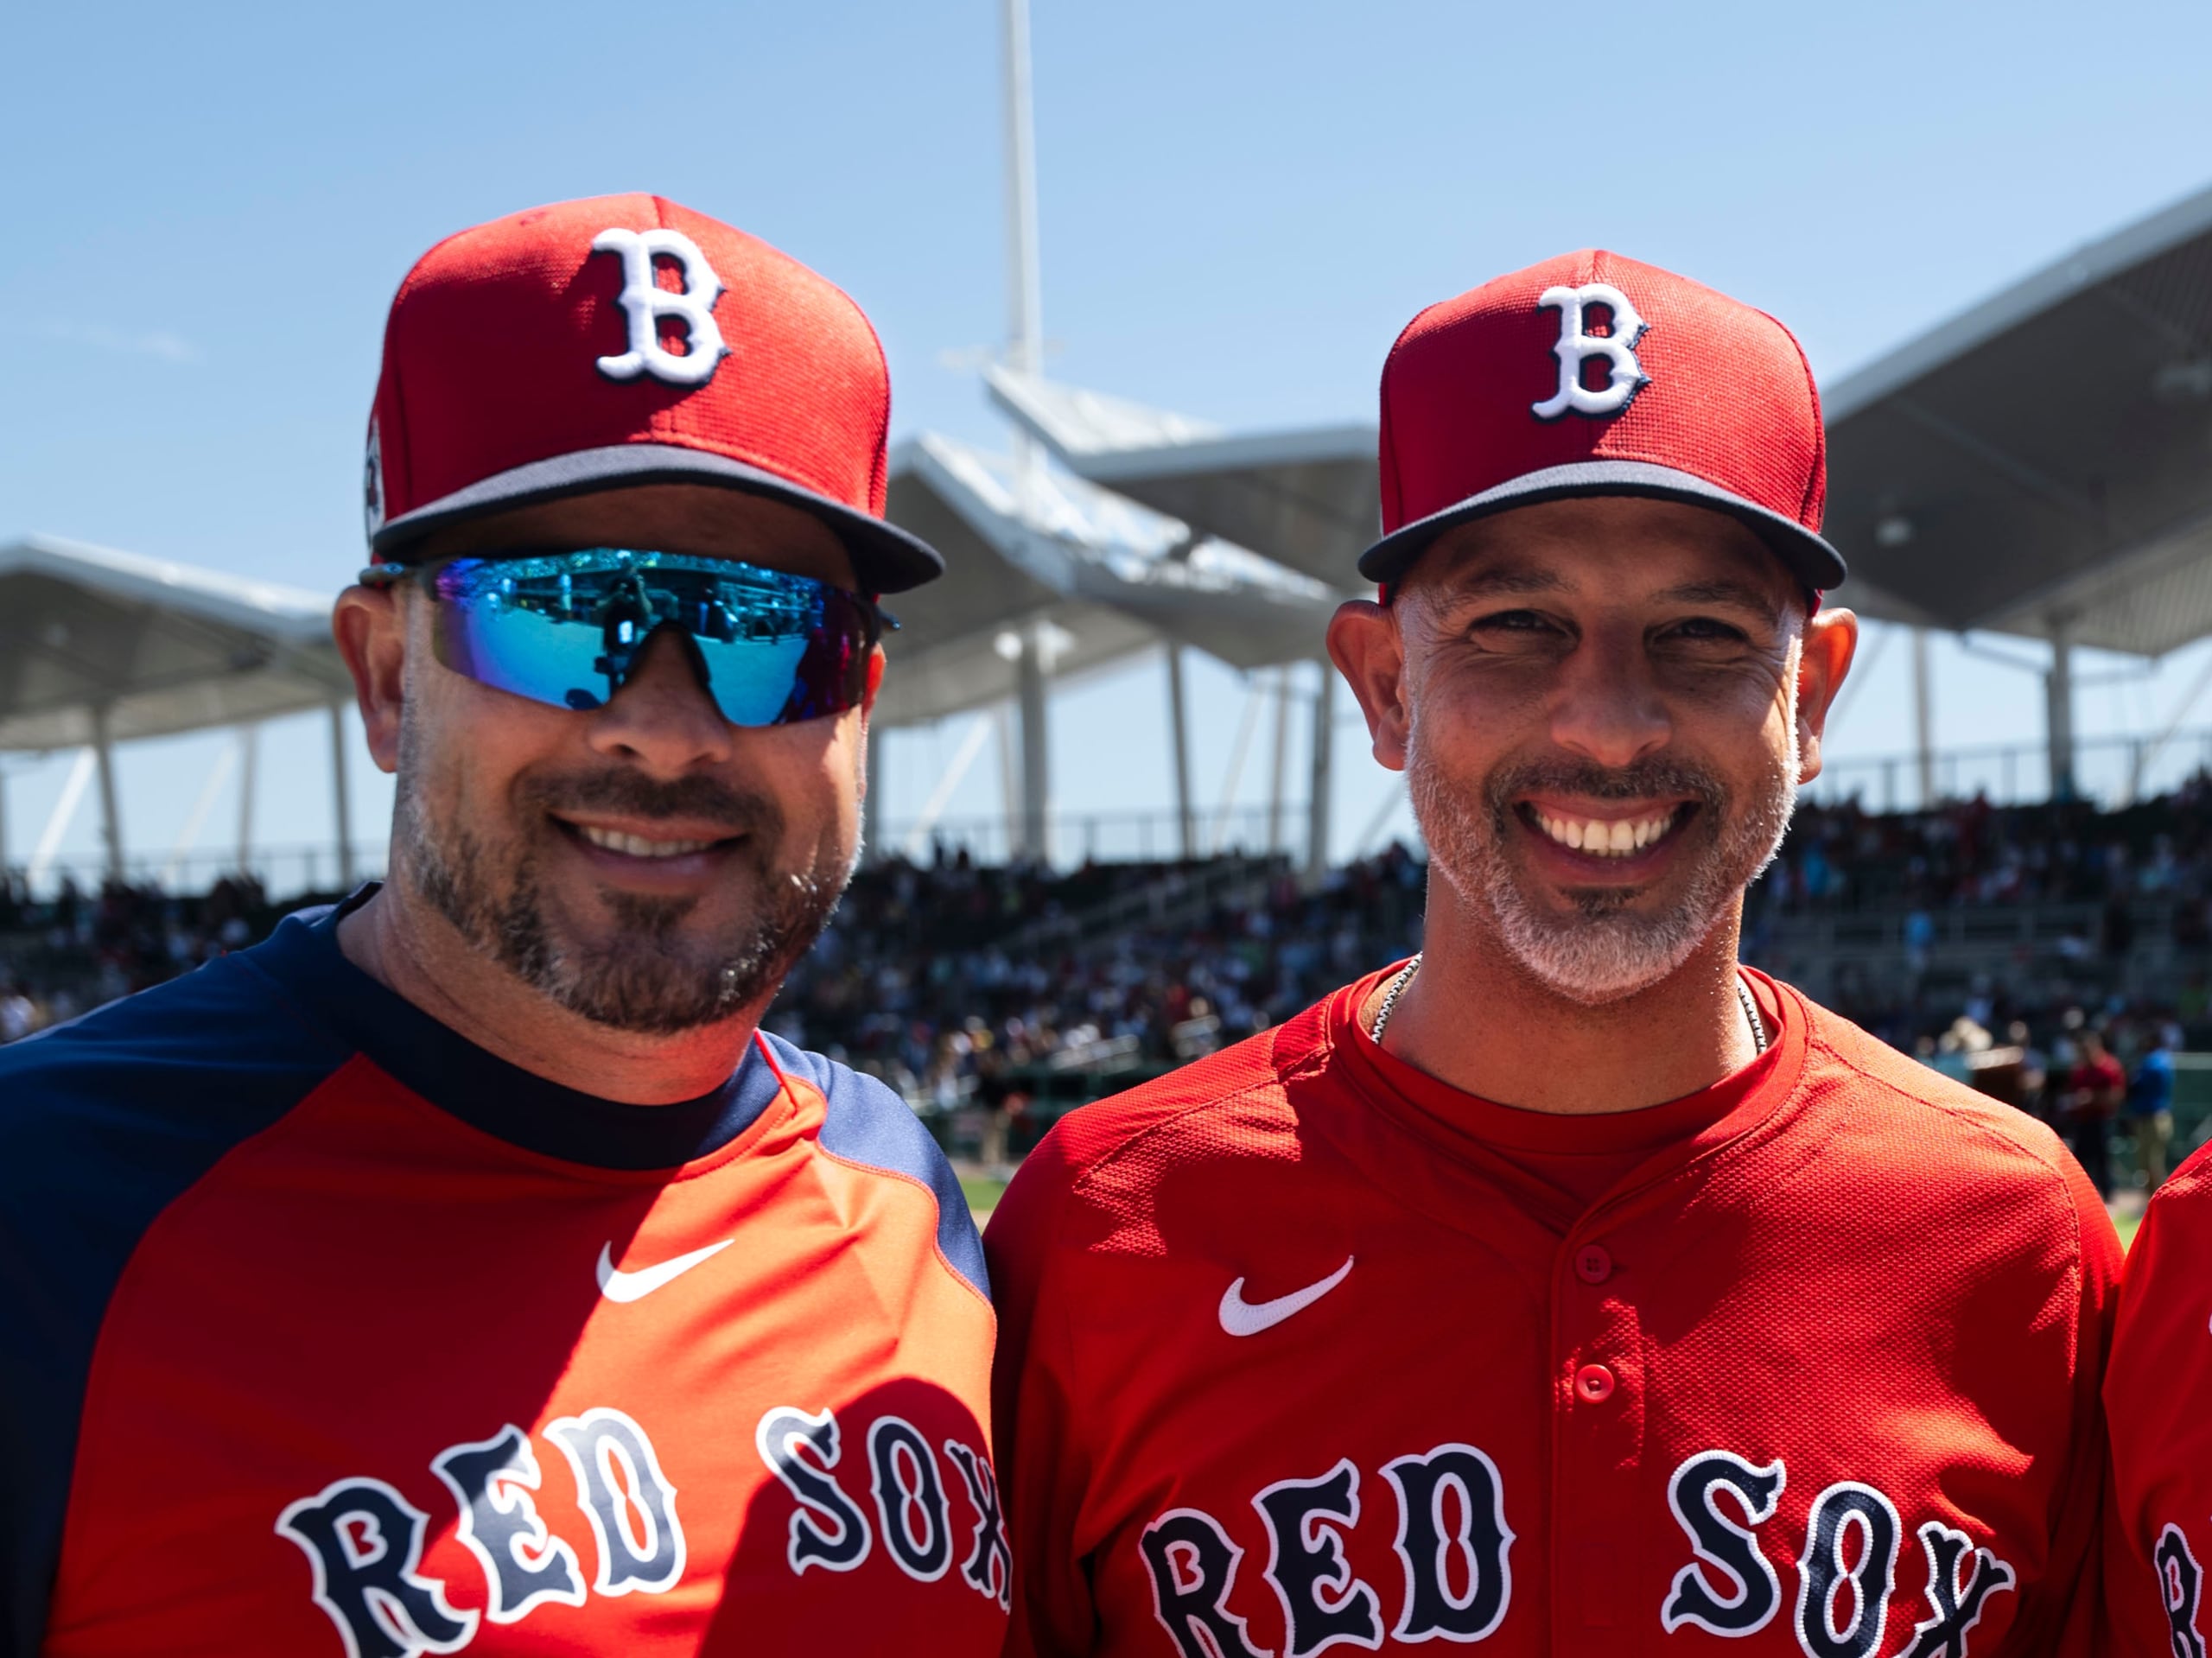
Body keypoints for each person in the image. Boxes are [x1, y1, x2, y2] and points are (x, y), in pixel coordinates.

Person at [987, 251, 2119, 1656]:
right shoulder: (1101, 1223)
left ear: (1811, 694)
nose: (1609, 723)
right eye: (1515, 623)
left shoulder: (2021, 1236)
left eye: (1701, 631)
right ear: (1387, 683)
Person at [0, 197, 1007, 1656]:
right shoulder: (48, 1206)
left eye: (768, 631)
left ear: (861, 701)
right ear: (388, 673)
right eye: (557, 614)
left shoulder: (911, 1203)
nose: (663, 730)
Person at [2063, 1026, 2125, 1197]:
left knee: (2103, 1160)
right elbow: (2072, 1093)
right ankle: (2080, 1196)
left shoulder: (2109, 1067)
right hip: (2082, 1121)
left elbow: (2116, 1096)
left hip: (2102, 1120)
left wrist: (2092, 1098)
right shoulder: (2080, 1071)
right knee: (2080, 1162)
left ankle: (2109, 1197)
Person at [2123, 1023, 2177, 1190]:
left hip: (2152, 1118)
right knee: (2150, 1164)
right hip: (2155, 1116)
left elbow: (2135, 1085)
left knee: (2152, 1164)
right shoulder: (2162, 1059)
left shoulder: (2154, 1061)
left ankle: (2160, 1203)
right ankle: (2154, 1203)